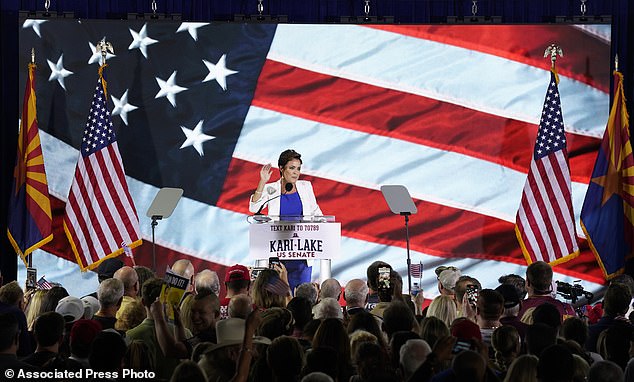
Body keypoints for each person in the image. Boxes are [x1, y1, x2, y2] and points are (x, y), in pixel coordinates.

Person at [249, 149, 323, 291]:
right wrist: (262, 182)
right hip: (278, 255)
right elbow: (254, 207)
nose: (296, 172)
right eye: (291, 168)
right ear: (281, 169)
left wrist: (324, 226)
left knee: (301, 298)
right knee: (278, 296)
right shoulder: (272, 189)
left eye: (298, 169)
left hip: (302, 254)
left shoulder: (305, 187)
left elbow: (315, 212)